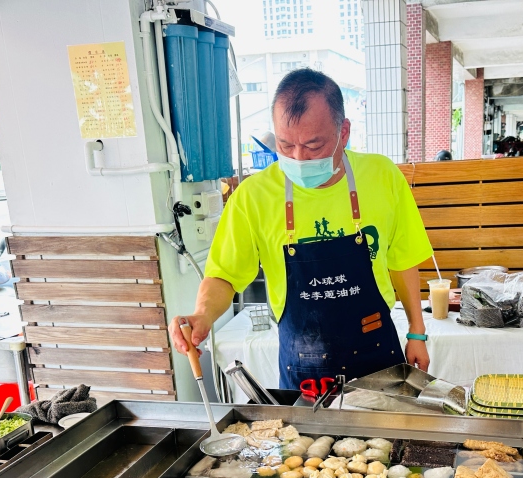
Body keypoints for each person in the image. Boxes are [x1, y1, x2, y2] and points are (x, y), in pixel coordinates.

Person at [169, 68, 433, 389]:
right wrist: (203, 315)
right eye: (285, 145)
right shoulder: (253, 197)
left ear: (343, 132)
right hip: (304, 368)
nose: (298, 158)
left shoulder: (382, 176)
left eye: (313, 145)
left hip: (376, 351)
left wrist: (416, 332)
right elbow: (224, 275)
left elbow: (402, 260)